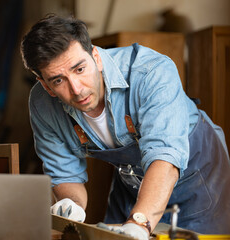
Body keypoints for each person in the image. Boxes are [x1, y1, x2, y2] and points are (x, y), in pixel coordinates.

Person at [20, 14, 230, 239]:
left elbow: (164, 157)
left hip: (198, 177)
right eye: (58, 80)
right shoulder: (43, 104)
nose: (77, 89)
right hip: (131, 183)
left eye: (79, 69)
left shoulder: (151, 72)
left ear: (96, 57)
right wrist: (72, 205)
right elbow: (65, 173)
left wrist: (138, 223)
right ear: (45, 85)